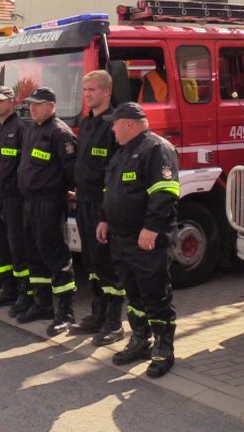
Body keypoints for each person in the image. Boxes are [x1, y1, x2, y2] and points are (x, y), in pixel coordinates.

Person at [97, 102, 179, 379]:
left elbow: (165, 192)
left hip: (146, 240)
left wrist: (151, 227)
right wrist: (104, 219)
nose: (112, 129)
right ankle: (140, 340)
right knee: (133, 294)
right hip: (121, 239)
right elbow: (110, 190)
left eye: (115, 124)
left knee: (155, 294)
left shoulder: (156, 149)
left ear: (129, 123)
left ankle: (163, 349)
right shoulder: (121, 153)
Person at [16, 87, 79, 335]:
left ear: (51, 106)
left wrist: (68, 192)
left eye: (37, 104)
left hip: (49, 203)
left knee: (55, 256)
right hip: (29, 203)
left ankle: (66, 312)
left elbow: (71, 172)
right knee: (34, 254)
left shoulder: (60, 133)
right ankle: (42, 305)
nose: (32, 108)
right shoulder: (32, 129)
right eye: (31, 104)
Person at [70, 70, 125, 345]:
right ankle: (98, 313)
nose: (87, 94)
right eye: (85, 90)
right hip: (83, 202)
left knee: (107, 264)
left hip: (103, 207)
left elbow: (115, 173)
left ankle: (114, 322)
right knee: (91, 262)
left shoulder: (115, 124)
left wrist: (105, 213)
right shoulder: (86, 122)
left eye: (92, 89)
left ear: (106, 91)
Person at [0, 85, 28, 310]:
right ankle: (5, 287)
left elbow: (24, 165)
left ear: (12, 102)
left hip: (12, 197)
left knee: (17, 246)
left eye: (0, 100)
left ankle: (24, 292)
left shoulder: (21, 128)